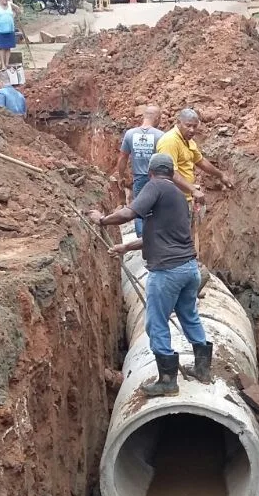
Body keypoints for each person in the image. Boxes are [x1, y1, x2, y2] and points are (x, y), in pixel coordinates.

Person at [90, 152, 213, 395]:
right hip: (189, 269)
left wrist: (102, 220)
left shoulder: (154, 186)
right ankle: (203, 369)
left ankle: (167, 381)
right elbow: (163, 236)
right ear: (172, 173)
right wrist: (126, 247)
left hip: (167, 272)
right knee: (189, 315)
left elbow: (128, 214)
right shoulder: (178, 196)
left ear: (150, 172)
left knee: (156, 322)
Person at [157, 108, 233, 278]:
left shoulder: (188, 141)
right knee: (175, 238)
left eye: (194, 126)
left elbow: (200, 160)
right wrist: (192, 189)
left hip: (184, 199)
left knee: (186, 237)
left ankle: (187, 274)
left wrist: (220, 175)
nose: (191, 130)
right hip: (171, 200)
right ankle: (175, 275)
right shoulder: (170, 141)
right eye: (188, 126)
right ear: (178, 123)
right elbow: (170, 172)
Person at [116, 105, 164, 237]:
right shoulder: (160, 136)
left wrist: (121, 176)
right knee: (157, 207)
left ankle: (142, 239)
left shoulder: (130, 134)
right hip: (156, 177)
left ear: (144, 116)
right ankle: (156, 237)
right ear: (157, 118)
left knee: (139, 208)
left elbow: (123, 157)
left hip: (139, 178)